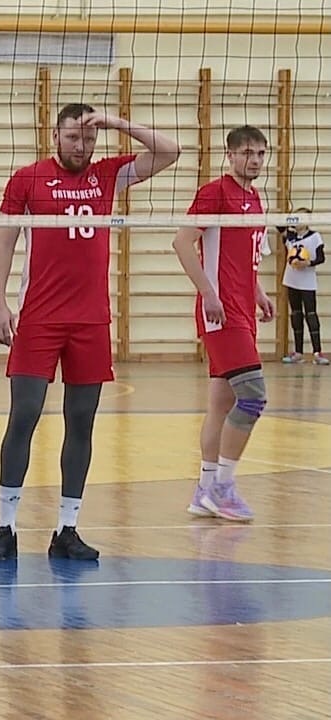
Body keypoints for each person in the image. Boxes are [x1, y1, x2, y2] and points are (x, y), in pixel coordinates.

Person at [0, 103, 181, 562]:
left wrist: (117, 123)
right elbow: (4, 241)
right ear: (55, 136)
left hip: (90, 320)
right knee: (24, 415)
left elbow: (170, 151)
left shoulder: (108, 175)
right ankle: (5, 528)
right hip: (39, 317)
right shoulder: (28, 179)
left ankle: (67, 529)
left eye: (89, 138)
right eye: (73, 137)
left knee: (82, 421)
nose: (81, 146)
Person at [173, 125, 275, 522]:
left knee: (221, 404)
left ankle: (204, 490)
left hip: (243, 311)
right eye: (247, 153)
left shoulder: (255, 198)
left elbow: (247, 256)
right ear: (230, 155)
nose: (255, 160)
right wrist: (209, 293)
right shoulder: (215, 192)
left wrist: (258, 292)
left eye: (261, 153)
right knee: (253, 397)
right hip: (222, 313)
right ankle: (223, 488)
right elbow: (182, 242)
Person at [278, 210, 328, 365]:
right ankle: (298, 352)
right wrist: (289, 221)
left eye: (300, 218)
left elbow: (321, 258)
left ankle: (317, 352)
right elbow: (278, 224)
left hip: (307, 281)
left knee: (311, 315)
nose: (297, 221)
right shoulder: (290, 236)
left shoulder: (315, 236)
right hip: (291, 280)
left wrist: (308, 263)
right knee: (296, 315)